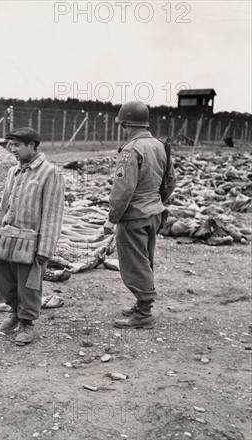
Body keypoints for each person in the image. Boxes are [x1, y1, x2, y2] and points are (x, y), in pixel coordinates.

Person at [104, 101, 176, 329]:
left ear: (125, 123)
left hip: (134, 215)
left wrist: (112, 217)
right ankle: (141, 304)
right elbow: (171, 180)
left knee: (134, 263)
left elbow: (123, 189)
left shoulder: (131, 149)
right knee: (145, 259)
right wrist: (158, 202)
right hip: (154, 211)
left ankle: (144, 313)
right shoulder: (160, 145)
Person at [0, 127, 65, 345]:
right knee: (0, 276)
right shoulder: (12, 172)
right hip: (7, 237)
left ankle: (27, 323)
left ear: (32, 146)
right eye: (10, 145)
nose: (11, 149)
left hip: (31, 241)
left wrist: (45, 249)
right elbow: (3, 206)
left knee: (29, 284)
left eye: (16, 145)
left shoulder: (51, 173)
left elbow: (53, 214)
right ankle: (15, 310)